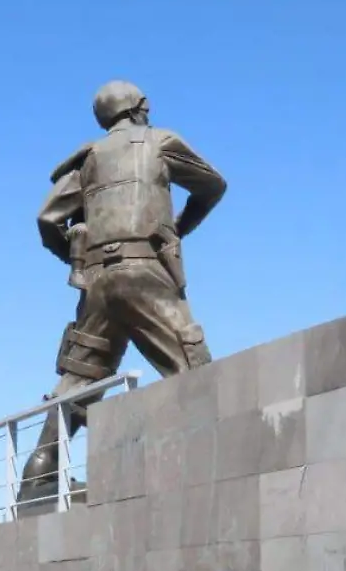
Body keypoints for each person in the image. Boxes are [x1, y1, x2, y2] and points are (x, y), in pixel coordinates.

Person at [17, 80, 227, 508]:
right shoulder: (160, 142)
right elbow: (212, 186)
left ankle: (36, 484)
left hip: (96, 283)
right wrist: (179, 229)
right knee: (193, 364)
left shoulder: (89, 158)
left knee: (77, 380)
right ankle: (223, 468)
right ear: (140, 107)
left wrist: (79, 259)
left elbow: (46, 219)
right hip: (145, 271)